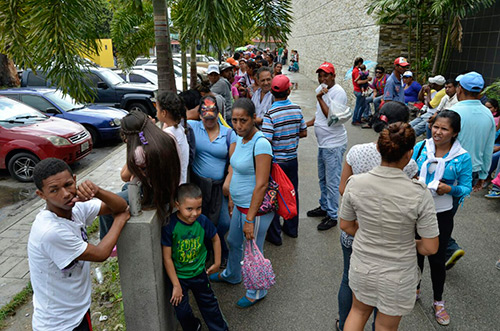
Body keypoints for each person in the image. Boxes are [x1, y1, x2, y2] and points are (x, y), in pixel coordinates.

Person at [340, 122, 439, 331]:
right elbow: (430, 247)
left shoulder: (355, 183)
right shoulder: (419, 193)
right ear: (409, 153)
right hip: (399, 272)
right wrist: (406, 242)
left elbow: (346, 224)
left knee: (357, 312)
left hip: (363, 264)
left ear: (378, 147)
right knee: (385, 325)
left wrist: (368, 234)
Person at [28, 158, 130, 330]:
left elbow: (120, 205)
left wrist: (97, 191)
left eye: (68, 185)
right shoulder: (50, 231)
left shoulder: (75, 209)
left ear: (75, 180)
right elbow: (100, 253)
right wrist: (119, 221)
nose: (66, 194)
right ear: (41, 195)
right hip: (59, 324)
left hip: (78, 312)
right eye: (54, 190)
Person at [209, 98, 275, 308]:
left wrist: (249, 219)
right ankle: (232, 275)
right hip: (239, 205)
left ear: (253, 119)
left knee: (254, 251)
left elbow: (262, 185)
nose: (238, 125)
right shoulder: (241, 140)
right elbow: (237, 170)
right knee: (235, 241)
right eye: (234, 120)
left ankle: (257, 291)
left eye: (243, 120)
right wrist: (232, 200)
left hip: (254, 211)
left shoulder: (261, 143)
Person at [412, 110, 472, 326]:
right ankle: (415, 289)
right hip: (416, 211)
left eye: (444, 129)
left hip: (442, 214)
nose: (437, 132)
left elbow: (466, 187)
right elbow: (407, 171)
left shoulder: (462, 157)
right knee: (415, 254)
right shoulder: (421, 148)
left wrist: (449, 189)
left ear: (454, 132)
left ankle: (438, 301)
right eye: (436, 126)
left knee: (437, 260)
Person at [446, 72, 496, 269]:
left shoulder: (454, 110)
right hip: (472, 171)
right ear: (481, 91)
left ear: (459, 89)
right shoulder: (488, 115)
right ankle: (445, 246)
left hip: (449, 169)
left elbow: (443, 141)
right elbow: (488, 147)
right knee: (449, 210)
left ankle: (448, 247)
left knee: (440, 211)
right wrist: (483, 175)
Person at [161, 183, 228, 331]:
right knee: (182, 312)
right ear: (178, 205)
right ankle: (194, 326)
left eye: (199, 208)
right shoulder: (170, 225)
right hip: (179, 278)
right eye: (189, 209)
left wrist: (217, 262)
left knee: (210, 307)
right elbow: (167, 258)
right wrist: (176, 285)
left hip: (200, 274)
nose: (195, 213)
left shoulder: (202, 221)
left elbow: (216, 238)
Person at [188, 95, 236, 268]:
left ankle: (217, 246)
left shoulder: (228, 133)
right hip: (199, 186)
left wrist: (228, 183)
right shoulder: (192, 127)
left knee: (223, 222)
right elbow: (175, 118)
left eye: (212, 116)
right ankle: (215, 251)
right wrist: (196, 109)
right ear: (200, 115)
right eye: (205, 116)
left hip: (219, 187)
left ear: (218, 114)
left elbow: (233, 162)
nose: (209, 120)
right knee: (201, 219)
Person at [262, 74, 307, 245]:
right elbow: (303, 131)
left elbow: (267, 141)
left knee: (273, 196)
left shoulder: (270, 113)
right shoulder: (296, 109)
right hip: (292, 160)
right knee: (292, 193)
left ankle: (275, 235)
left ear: (273, 93)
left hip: (276, 163)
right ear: (288, 90)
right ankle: (292, 229)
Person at [306, 62, 348, 231]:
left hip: (334, 145)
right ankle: (324, 206)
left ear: (333, 76)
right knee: (323, 178)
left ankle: (332, 215)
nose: (322, 79)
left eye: (326, 75)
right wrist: (303, 125)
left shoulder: (338, 92)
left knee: (332, 181)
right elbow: (319, 118)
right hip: (323, 144)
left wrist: (319, 97)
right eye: (320, 75)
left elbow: (331, 117)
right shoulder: (324, 92)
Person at [121, 110, 181, 221]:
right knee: (126, 188)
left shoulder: (139, 152)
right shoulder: (167, 137)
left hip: (152, 195)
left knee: (110, 204)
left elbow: (124, 176)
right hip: (169, 189)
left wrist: (131, 146)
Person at [157, 91, 190, 184]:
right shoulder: (179, 129)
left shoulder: (168, 134)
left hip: (172, 185)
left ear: (163, 113)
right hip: (180, 182)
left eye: (157, 110)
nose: (156, 113)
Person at [351, 57, 371, 125]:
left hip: (358, 90)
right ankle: (355, 120)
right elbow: (358, 82)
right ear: (359, 63)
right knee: (358, 106)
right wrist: (367, 80)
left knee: (363, 105)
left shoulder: (355, 70)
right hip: (359, 91)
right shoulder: (356, 71)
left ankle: (358, 119)